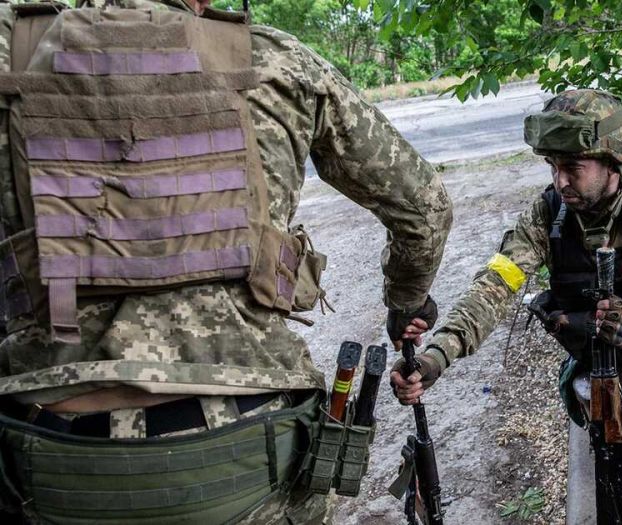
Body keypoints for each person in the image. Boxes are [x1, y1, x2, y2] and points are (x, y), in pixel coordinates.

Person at [0, 0, 450, 523]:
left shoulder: (10, 48)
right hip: (247, 447)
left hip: (46, 453)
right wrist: (406, 300)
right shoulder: (275, 62)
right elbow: (425, 207)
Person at [391, 89, 622, 522]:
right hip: (598, 348)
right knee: (607, 445)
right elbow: (495, 287)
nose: (560, 181)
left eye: (572, 169)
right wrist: (437, 356)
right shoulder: (548, 214)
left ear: (612, 163)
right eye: (553, 167)